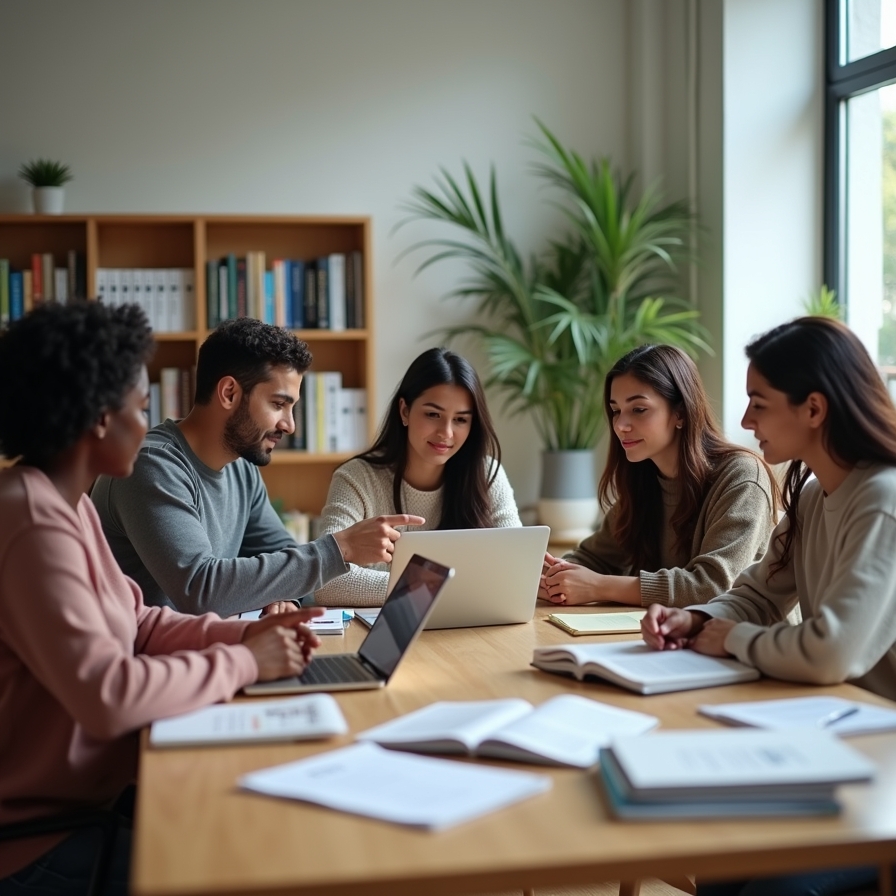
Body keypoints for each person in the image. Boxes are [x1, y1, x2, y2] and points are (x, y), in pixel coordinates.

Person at [0, 301, 324, 896]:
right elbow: (108, 693)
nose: (147, 427)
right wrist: (247, 661)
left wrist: (243, 635)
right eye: (140, 409)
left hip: (98, 796)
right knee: (251, 869)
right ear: (100, 417)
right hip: (42, 840)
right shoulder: (31, 519)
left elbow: (140, 621)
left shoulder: (65, 502)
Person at [641, 317, 896, 896]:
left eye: (758, 402)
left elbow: (832, 652)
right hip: (846, 739)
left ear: (814, 408)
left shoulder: (883, 499)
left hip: (881, 760)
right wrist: (699, 618)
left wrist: (726, 639)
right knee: (724, 864)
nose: (744, 420)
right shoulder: (812, 492)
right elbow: (760, 589)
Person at [91, 317, 423, 617]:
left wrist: (283, 598)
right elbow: (201, 590)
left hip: (199, 651)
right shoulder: (151, 465)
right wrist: (343, 548)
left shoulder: (240, 467)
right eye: (279, 404)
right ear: (229, 392)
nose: (290, 425)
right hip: (142, 665)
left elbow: (284, 556)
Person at [540, 343, 778, 608]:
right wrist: (554, 578)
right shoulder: (645, 478)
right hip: (670, 639)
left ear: (680, 412)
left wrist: (598, 586)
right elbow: (593, 558)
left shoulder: (742, 476)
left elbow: (712, 586)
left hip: (749, 644)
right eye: (616, 410)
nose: (620, 425)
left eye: (638, 409)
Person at [314, 347, 521, 607]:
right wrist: (432, 588)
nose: (446, 433)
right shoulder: (356, 479)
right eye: (433, 414)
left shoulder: (487, 474)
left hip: (467, 632)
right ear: (404, 411)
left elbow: (517, 570)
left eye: (460, 420)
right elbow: (326, 581)